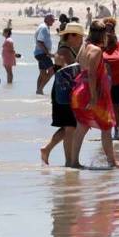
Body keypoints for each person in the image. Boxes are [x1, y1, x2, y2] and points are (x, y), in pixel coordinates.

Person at [69, 20, 119, 169]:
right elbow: (93, 74)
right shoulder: (96, 50)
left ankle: (74, 161)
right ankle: (112, 161)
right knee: (106, 126)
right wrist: (94, 97)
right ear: (102, 35)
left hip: (79, 91)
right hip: (93, 92)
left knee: (82, 126)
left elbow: (78, 64)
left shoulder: (84, 47)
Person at [40, 22, 84, 166]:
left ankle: (47, 149)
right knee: (70, 126)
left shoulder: (68, 48)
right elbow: (62, 69)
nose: (81, 39)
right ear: (71, 36)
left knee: (69, 126)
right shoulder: (64, 50)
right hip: (63, 93)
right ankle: (69, 162)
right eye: (79, 36)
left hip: (64, 92)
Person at [34, 14, 56, 95]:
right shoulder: (44, 28)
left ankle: (38, 92)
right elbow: (40, 42)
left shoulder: (43, 26)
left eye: (54, 20)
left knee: (42, 73)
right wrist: (48, 53)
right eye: (52, 19)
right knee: (52, 70)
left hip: (39, 53)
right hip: (42, 53)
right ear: (46, 19)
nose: (53, 21)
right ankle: (40, 89)